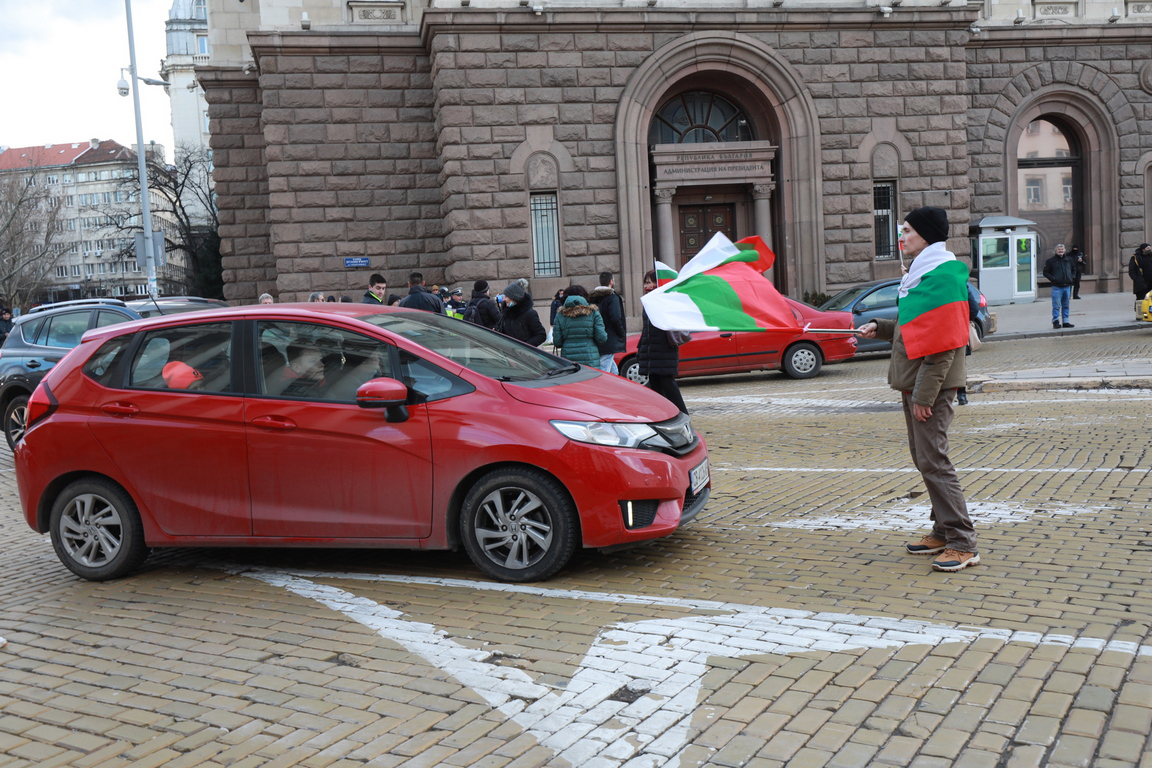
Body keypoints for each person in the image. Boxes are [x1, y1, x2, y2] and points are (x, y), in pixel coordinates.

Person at [858, 206, 978, 572]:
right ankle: (942, 530)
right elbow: (915, 327)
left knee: (935, 462)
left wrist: (924, 397)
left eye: (907, 230)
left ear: (926, 235)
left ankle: (962, 542)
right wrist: (878, 326)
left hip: (930, 389)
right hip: (915, 385)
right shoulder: (922, 274)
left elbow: (943, 347)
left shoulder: (940, 276)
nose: (902, 237)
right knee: (925, 460)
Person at [637, 270, 687, 413]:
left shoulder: (664, 300)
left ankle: (683, 414)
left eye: (649, 281)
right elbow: (646, 330)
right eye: (645, 282)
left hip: (664, 350)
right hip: (652, 351)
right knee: (656, 386)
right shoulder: (648, 301)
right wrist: (641, 348)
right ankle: (663, 415)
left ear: (658, 283)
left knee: (668, 384)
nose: (647, 285)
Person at [553, 293, 607, 368]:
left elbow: (557, 342)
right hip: (590, 356)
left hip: (568, 357)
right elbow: (602, 338)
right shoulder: (593, 313)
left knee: (573, 379)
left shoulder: (560, 315)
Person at [589, 271, 626, 374]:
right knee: (604, 370)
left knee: (612, 369)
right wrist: (621, 333)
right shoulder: (612, 297)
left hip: (598, 336)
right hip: (610, 337)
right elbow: (615, 318)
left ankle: (617, 387)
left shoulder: (592, 298)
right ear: (611, 282)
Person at [495, 282, 546, 346]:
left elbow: (541, 335)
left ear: (514, 298)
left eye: (506, 297)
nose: (503, 299)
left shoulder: (530, 314)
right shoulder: (506, 314)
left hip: (524, 354)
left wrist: (525, 347)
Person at [955, 281, 981, 406]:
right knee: (959, 365)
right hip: (959, 331)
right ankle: (961, 395)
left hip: (941, 331)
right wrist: (965, 320)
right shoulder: (961, 285)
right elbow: (974, 308)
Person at [1043, 244, 1076, 329]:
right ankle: (1055, 321)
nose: (1061, 251)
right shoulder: (1051, 261)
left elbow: (1074, 269)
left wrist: (1072, 277)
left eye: (1062, 249)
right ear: (1055, 251)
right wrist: (1052, 278)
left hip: (1067, 286)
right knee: (1056, 306)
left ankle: (1066, 321)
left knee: (1066, 305)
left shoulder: (1069, 260)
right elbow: (1046, 272)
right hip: (1057, 287)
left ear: (1064, 250)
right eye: (1059, 249)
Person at [1128, 243, 1152, 318]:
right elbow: (1131, 271)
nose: (1149, 249)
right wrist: (1137, 279)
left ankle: (1149, 314)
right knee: (1141, 299)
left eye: (1150, 248)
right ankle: (1140, 315)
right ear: (1143, 249)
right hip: (1141, 282)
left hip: (1150, 282)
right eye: (1147, 248)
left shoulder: (1150, 256)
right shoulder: (1135, 257)